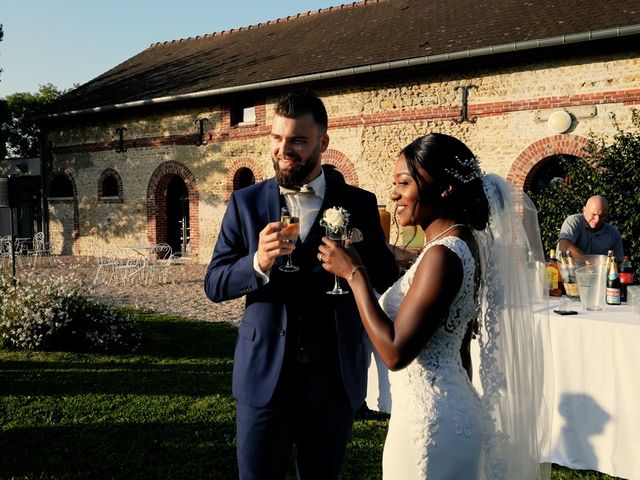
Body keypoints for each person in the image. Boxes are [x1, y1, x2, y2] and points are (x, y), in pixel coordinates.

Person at [319, 133, 549, 479]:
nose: (394, 193)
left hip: (429, 426)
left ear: (445, 189)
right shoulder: (458, 245)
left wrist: (353, 274)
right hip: (444, 410)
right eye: (394, 183)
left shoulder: (443, 255)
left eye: (404, 182)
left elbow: (395, 352)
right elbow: (458, 350)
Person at [204, 88, 398, 480]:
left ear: (322, 142)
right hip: (264, 380)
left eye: (297, 140)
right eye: (277, 138)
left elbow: (385, 279)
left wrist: (358, 265)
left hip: (335, 380)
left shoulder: (358, 203)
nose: (283, 149)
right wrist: (257, 262)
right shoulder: (245, 204)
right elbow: (214, 283)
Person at [558, 195, 624, 263]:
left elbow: (618, 263)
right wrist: (591, 264)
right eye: (594, 214)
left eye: (602, 216)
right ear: (584, 210)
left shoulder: (613, 233)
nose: (597, 220)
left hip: (601, 273)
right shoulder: (573, 222)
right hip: (569, 272)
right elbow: (564, 247)